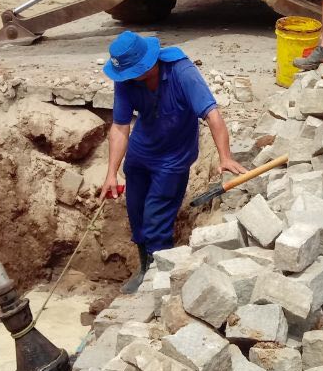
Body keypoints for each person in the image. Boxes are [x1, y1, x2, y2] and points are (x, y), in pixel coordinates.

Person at [100, 31, 247, 290]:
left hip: (173, 159)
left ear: (146, 65)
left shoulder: (182, 72)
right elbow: (121, 127)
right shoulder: (125, 80)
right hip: (140, 153)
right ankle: (145, 266)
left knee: (157, 219)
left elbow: (212, 114)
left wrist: (225, 157)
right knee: (137, 212)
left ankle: (160, 281)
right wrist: (111, 173)